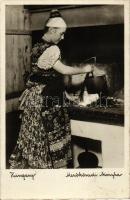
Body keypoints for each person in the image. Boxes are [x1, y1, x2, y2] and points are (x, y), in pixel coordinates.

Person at [9, 9, 104, 169]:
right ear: (52, 30)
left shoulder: (37, 46)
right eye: (61, 33)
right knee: (49, 136)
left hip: (35, 98)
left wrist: (66, 94)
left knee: (37, 138)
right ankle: (51, 168)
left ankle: (39, 168)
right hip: (43, 100)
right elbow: (64, 70)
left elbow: (47, 76)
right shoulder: (52, 49)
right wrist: (87, 68)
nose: (63, 37)